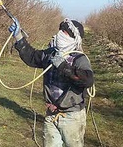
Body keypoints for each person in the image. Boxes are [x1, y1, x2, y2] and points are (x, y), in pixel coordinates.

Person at [8, 18, 94, 147]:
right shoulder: (50, 54)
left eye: (64, 32)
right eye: (60, 30)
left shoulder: (79, 59)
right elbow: (31, 57)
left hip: (72, 116)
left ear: (73, 38)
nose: (59, 35)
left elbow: (87, 80)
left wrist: (64, 67)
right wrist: (19, 37)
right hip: (51, 114)